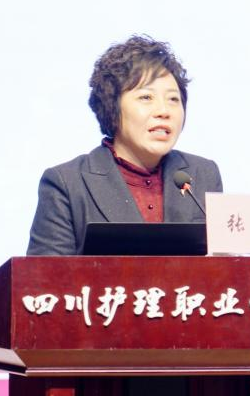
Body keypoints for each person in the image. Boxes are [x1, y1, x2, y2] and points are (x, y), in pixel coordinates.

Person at [27, 35, 223, 255]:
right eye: (146, 97)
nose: (164, 111)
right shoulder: (67, 183)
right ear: (112, 107)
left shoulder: (202, 174)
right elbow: (45, 274)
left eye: (173, 99)